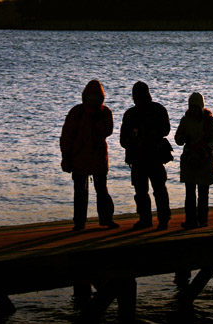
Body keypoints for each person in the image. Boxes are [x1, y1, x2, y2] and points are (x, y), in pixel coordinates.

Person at [59, 79, 119, 231]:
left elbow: (107, 131)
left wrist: (96, 118)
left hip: (98, 157)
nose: (92, 101)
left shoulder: (105, 112)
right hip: (79, 157)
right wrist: (66, 156)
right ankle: (79, 223)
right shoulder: (76, 112)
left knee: (102, 190)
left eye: (95, 98)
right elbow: (67, 135)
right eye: (90, 98)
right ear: (85, 97)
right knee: (80, 192)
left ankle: (107, 219)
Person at [120, 81, 172, 230]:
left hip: (148, 156)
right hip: (145, 157)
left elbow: (123, 140)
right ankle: (158, 219)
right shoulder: (157, 109)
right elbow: (166, 130)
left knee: (147, 190)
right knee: (152, 190)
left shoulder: (132, 114)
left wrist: (142, 137)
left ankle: (150, 219)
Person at [174, 92, 213, 229]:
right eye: (192, 107)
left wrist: (206, 150)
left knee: (203, 194)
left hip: (204, 161)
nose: (194, 109)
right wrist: (181, 139)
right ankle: (190, 220)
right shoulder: (185, 120)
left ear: (201, 107)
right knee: (189, 194)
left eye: (196, 107)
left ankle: (202, 220)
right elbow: (178, 137)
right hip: (189, 160)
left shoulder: (210, 121)